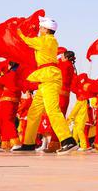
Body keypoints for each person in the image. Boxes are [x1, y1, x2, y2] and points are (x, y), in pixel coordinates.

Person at [13, 17, 78, 154]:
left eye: (41, 28)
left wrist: (17, 30)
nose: (39, 30)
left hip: (49, 78)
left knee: (52, 110)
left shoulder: (45, 40)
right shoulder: (49, 40)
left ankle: (68, 140)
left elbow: (25, 40)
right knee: (33, 112)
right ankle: (29, 143)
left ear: (46, 29)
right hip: (45, 79)